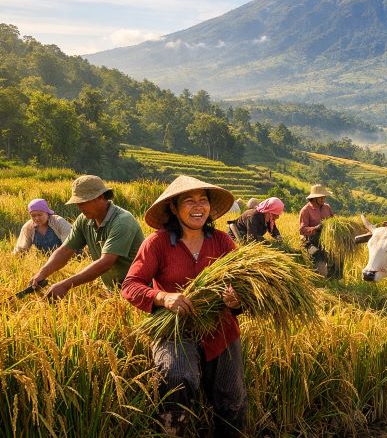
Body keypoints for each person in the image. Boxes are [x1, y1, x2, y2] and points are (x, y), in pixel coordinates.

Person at [121, 175, 246, 436]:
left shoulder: (223, 241)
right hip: (174, 328)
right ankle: (172, 430)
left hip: (220, 329)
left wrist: (236, 299)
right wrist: (163, 297)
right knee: (177, 379)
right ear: (174, 209)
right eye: (189, 201)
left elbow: (243, 287)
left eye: (203, 200)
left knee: (231, 398)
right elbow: (131, 285)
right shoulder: (157, 243)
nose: (198, 206)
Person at [29, 175, 144, 299]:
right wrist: (42, 273)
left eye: (84, 202)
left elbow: (106, 262)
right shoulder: (84, 220)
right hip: (113, 290)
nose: (80, 207)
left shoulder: (122, 222)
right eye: (78, 203)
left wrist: (65, 285)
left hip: (139, 288)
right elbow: (65, 250)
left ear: (100, 197)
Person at [299, 184, 335, 277]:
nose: (323, 199)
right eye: (321, 197)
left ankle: (335, 282)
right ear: (314, 198)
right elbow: (302, 230)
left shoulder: (327, 207)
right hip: (311, 242)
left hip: (326, 240)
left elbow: (333, 221)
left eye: (324, 197)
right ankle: (321, 279)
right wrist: (316, 228)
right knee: (321, 270)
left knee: (337, 258)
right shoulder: (305, 210)